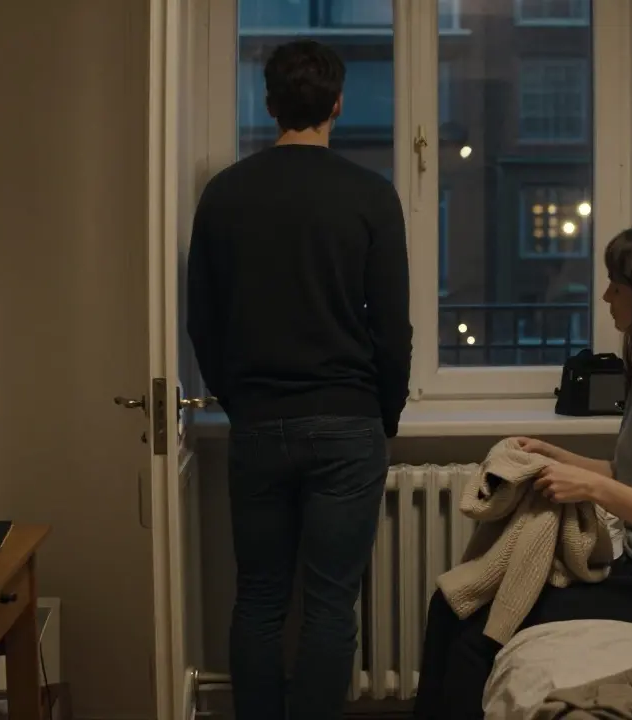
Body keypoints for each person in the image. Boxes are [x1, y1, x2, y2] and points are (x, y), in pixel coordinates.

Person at [412, 221, 632, 720]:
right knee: (450, 604)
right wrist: (558, 458)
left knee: (479, 637)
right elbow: (631, 473)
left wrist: (592, 487)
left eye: (616, 286)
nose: (604, 296)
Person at [186, 40, 412, 720]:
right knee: (329, 603)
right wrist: (385, 415)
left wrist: (241, 398)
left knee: (258, 596)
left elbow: (203, 320)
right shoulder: (370, 196)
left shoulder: (224, 194)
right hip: (347, 423)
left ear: (270, 103)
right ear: (338, 104)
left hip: (258, 423)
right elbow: (391, 326)